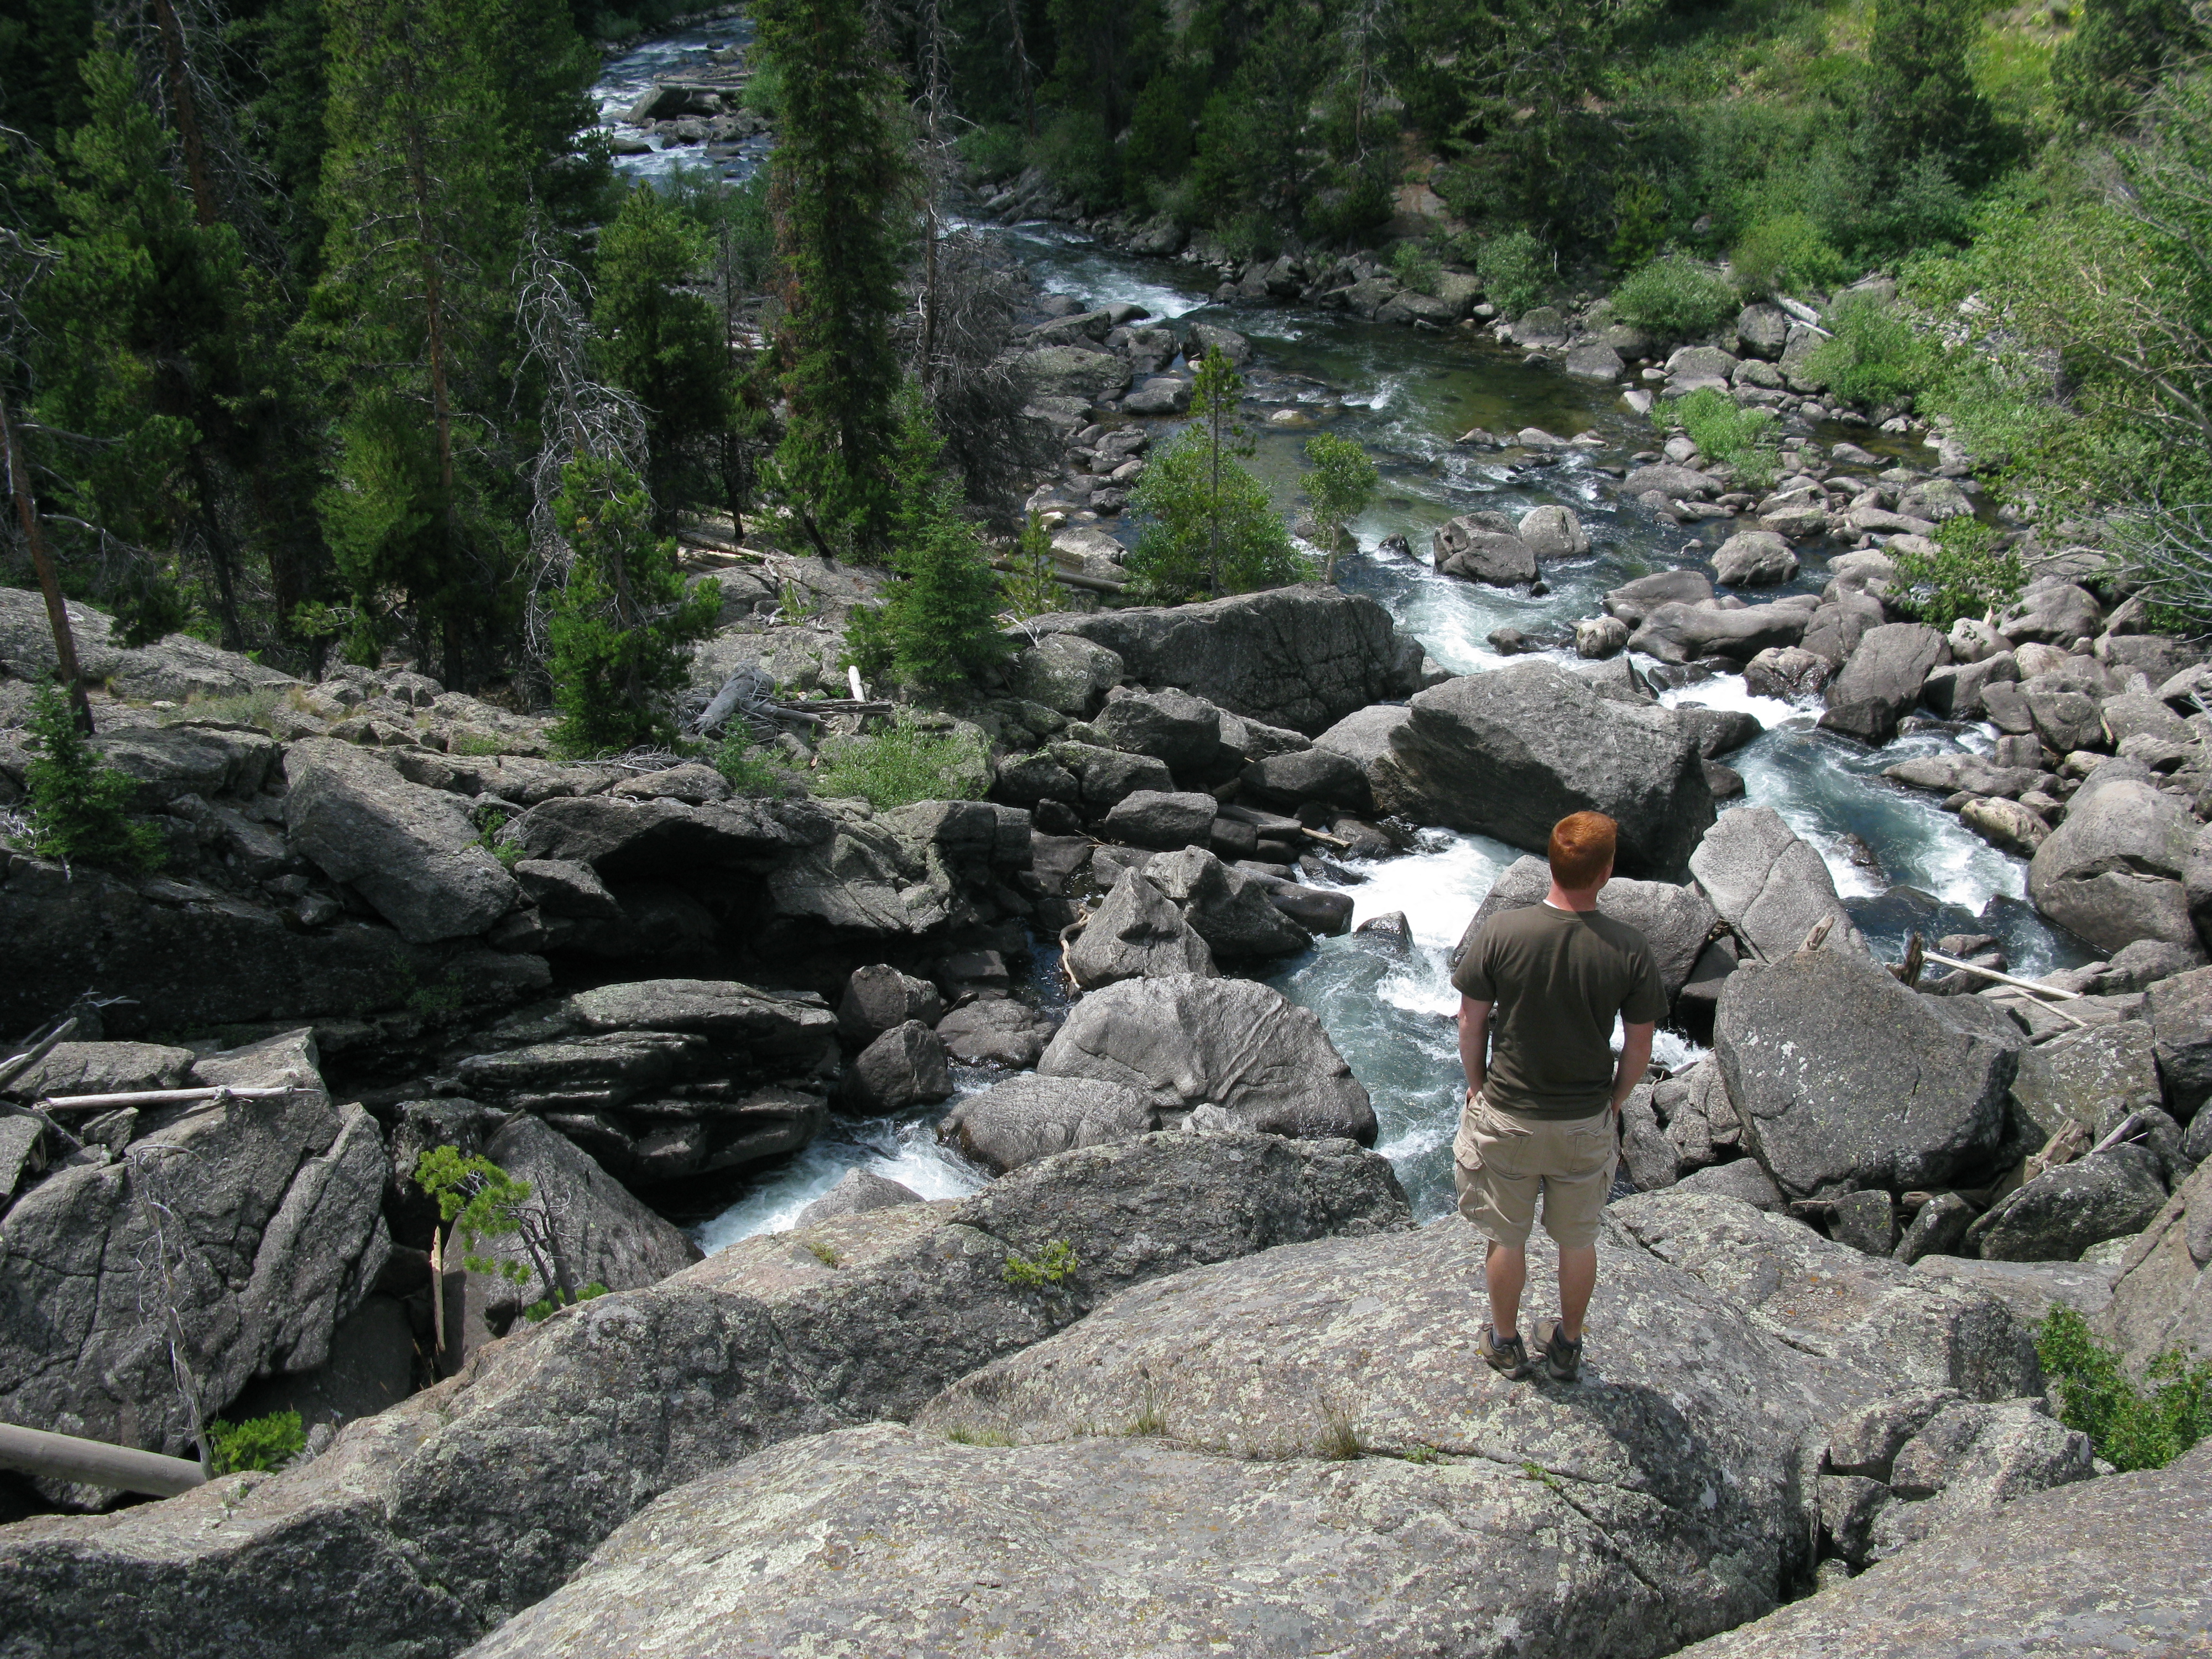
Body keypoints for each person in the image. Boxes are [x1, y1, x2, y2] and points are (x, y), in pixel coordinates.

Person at [1451, 811, 1663, 1383]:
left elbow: (1470, 1022)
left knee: (1506, 1236)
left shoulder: (1502, 931)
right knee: (1578, 1240)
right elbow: (1638, 1047)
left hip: (1508, 1115)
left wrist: (1477, 1084)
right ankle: (1567, 1346)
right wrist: (1614, 1101)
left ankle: (1504, 1342)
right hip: (1583, 1121)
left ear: (1550, 861)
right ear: (1607, 871)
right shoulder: (1629, 948)